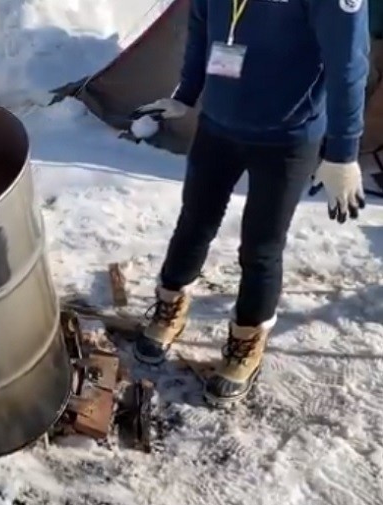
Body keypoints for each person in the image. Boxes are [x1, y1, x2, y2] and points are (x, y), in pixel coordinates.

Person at [128, 0, 370, 406]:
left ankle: (247, 340)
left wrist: (343, 153)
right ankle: (170, 307)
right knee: (194, 223)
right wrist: (185, 95)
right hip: (218, 126)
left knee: (260, 247)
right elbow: (201, 28)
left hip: (288, 138)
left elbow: (348, 66)